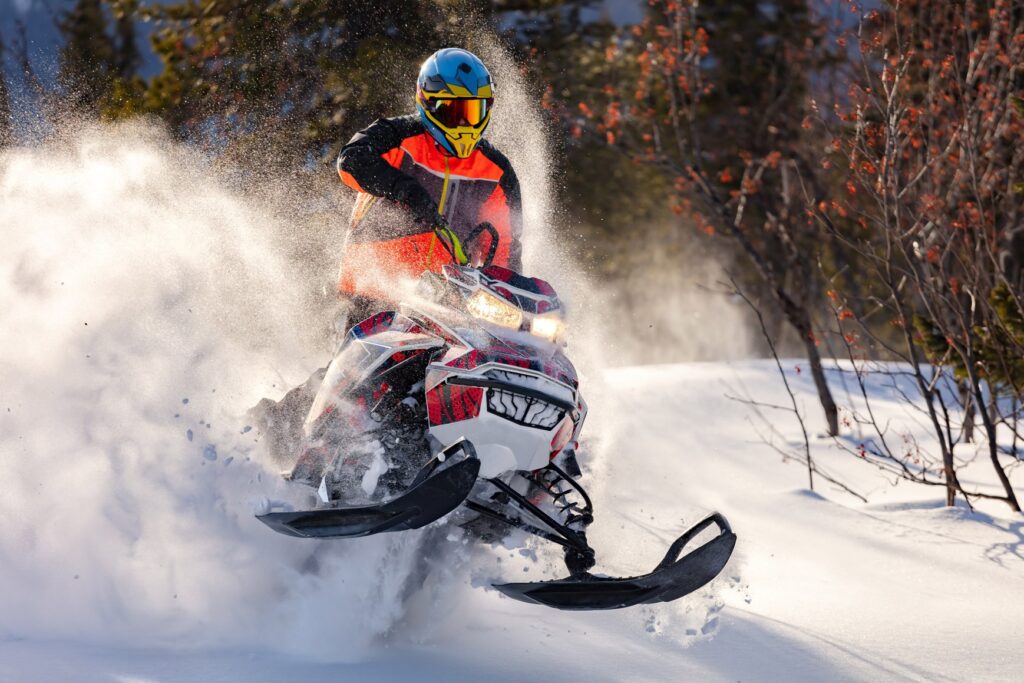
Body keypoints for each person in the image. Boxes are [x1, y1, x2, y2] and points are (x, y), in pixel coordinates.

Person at [335, 47, 524, 325]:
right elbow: (350, 161)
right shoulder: (397, 136)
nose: (463, 123)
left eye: (473, 111)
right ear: (428, 103)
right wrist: (403, 188)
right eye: (452, 111)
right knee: (364, 366)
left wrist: (506, 300)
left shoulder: (495, 170)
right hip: (372, 287)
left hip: (445, 299)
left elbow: (505, 245)